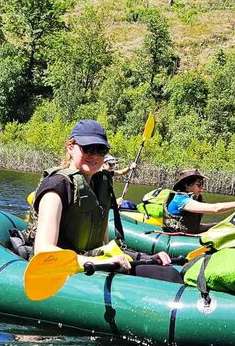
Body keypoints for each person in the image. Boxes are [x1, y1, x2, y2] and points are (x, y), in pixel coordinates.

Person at [30, 119, 182, 282]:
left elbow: (104, 247)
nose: (95, 156)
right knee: (168, 276)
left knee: (167, 272)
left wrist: (147, 257)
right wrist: (97, 261)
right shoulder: (57, 186)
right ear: (71, 147)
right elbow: (43, 251)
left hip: (92, 260)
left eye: (101, 150)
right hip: (68, 266)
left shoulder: (100, 184)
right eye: (88, 149)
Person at [163, 168, 235, 234]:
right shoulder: (181, 200)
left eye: (202, 184)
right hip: (177, 237)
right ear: (187, 185)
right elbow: (216, 209)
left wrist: (219, 225)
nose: (202, 188)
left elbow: (193, 227)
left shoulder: (191, 199)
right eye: (199, 185)